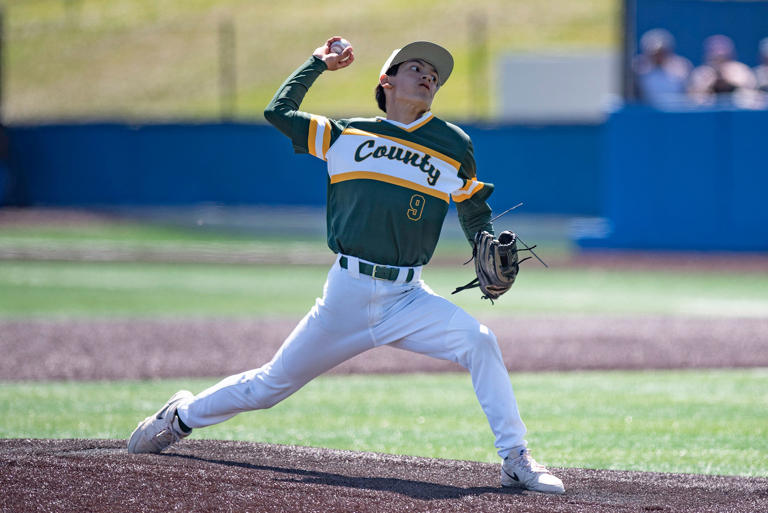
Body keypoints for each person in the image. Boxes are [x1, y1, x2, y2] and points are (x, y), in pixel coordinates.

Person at [127, 36, 565, 495]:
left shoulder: (453, 143)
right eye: (415, 67)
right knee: (269, 387)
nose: (428, 75)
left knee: (480, 342)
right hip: (347, 295)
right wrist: (317, 63)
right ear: (387, 81)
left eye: (433, 73)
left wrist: (482, 237)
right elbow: (278, 113)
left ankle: (515, 459)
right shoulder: (347, 135)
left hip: (408, 297)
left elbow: (472, 204)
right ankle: (180, 416)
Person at [688, 34, 759, 106]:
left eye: (723, 57)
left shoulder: (740, 70)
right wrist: (710, 83)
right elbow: (693, 96)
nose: (719, 60)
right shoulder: (701, 72)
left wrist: (727, 80)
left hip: (738, 112)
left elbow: (750, 89)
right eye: (715, 58)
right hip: (708, 112)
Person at [632, 28, 692, 106]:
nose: (658, 56)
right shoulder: (638, 70)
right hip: (648, 113)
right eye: (654, 53)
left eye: (662, 52)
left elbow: (690, 93)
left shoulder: (682, 68)